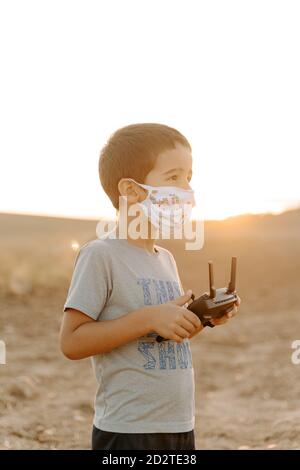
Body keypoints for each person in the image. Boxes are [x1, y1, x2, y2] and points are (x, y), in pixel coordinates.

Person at [59, 123, 241, 450]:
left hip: (178, 423)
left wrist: (202, 318)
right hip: (128, 430)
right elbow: (72, 342)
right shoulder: (100, 255)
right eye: (173, 177)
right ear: (131, 190)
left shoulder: (165, 259)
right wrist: (148, 318)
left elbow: (162, 335)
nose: (186, 190)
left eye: (189, 178)